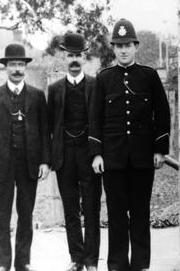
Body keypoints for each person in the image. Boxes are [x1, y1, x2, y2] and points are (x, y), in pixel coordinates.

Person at [89, 19, 170, 271]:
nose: (123, 50)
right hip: (112, 160)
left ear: (136, 46)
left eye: (128, 45)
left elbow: (163, 113)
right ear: (114, 48)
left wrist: (159, 149)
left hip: (142, 159)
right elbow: (95, 118)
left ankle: (140, 265)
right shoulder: (104, 78)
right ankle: (117, 264)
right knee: (116, 215)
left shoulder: (149, 76)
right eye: (119, 45)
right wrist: (96, 154)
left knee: (140, 213)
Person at [0, 43, 51, 271]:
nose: (16, 69)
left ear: (25, 68)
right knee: (1, 216)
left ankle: (23, 261)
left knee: (26, 214)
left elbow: (45, 131)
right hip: (1, 165)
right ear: (6, 67)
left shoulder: (36, 96)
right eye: (12, 64)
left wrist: (45, 160)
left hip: (29, 164)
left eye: (20, 64)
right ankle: (2, 264)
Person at [47, 32, 101, 271]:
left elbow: (101, 121)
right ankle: (76, 258)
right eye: (71, 55)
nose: (75, 59)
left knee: (91, 209)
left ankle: (91, 260)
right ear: (64, 58)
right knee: (70, 209)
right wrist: (50, 158)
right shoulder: (55, 89)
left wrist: (99, 152)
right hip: (65, 156)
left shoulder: (95, 85)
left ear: (84, 56)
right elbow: (50, 125)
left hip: (89, 155)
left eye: (79, 55)